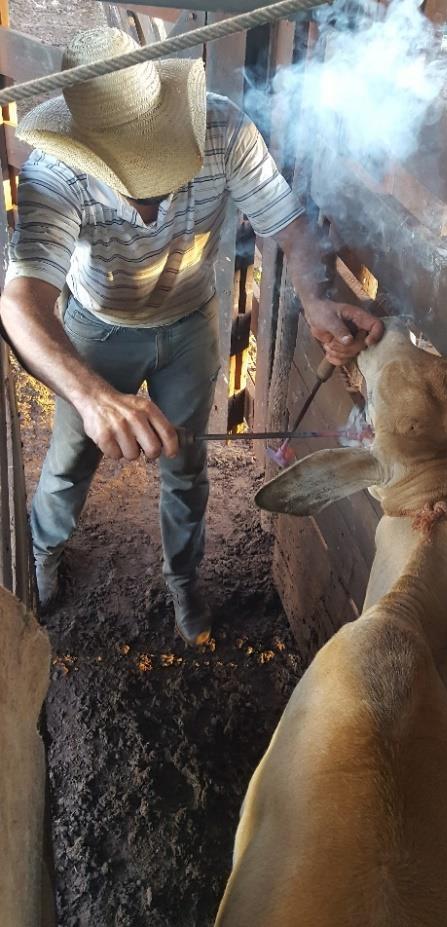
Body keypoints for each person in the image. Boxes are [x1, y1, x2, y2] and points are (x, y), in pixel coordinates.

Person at [0, 27, 383, 646]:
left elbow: (285, 221)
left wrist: (316, 299)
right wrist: (94, 397)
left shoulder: (223, 130)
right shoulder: (56, 171)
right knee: (71, 461)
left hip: (190, 323)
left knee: (186, 462)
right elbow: (21, 301)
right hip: (98, 329)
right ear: (89, 149)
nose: (148, 190)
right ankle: (43, 551)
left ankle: (183, 579)